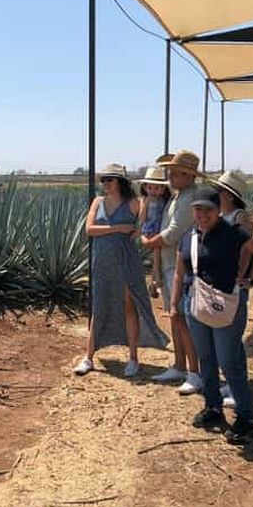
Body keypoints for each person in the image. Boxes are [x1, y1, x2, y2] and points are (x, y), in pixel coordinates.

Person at [175, 185, 253, 443]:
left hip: (226, 305)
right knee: (206, 358)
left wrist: (250, 280)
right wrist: (174, 304)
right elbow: (179, 270)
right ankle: (213, 407)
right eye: (198, 209)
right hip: (195, 304)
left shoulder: (233, 233)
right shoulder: (189, 235)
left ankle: (246, 417)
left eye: (208, 209)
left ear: (218, 210)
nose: (202, 214)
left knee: (230, 361)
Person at [74, 164, 169, 378]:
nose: (105, 183)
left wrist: (138, 234)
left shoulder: (135, 204)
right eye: (104, 180)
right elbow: (89, 230)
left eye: (110, 179)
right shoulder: (97, 202)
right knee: (99, 306)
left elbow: (147, 227)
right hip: (102, 262)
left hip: (126, 261)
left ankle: (133, 358)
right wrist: (118, 228)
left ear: (120, 182)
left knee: (129, 307)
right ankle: (88, 356)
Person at [140, 151, 203, 395]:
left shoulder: (189, 198)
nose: (170, 176)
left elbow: (173, 232)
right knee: (175, 316)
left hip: (181, 265)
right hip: (170, 263)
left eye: (175, 173)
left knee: (183, 319)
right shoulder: (180, 196)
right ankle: (179, 365)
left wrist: (149, 242)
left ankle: (193, 372)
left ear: (188, 176)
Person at [207, 170, 253, 407]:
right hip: (219, 285)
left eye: (218, 191)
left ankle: (238, 388)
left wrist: (240, 275)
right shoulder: (222, 215)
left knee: (232, 338)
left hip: (233, 286)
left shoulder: (239, 217)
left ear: (228, 194)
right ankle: (234, 383)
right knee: (229, 341)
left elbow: (248, 249)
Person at [136, 167, 171, 299]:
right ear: (145, 188)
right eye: (150, 188)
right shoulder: (144, 200)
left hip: (161, 228)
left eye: (156, 188)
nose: (153, 191)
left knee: (159, 255)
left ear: (162, 189)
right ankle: (156, 278)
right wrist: (146, 203)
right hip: (150, 230)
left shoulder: (165, 201)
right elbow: (142, 218)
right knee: (156, 253)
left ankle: (155, 280)